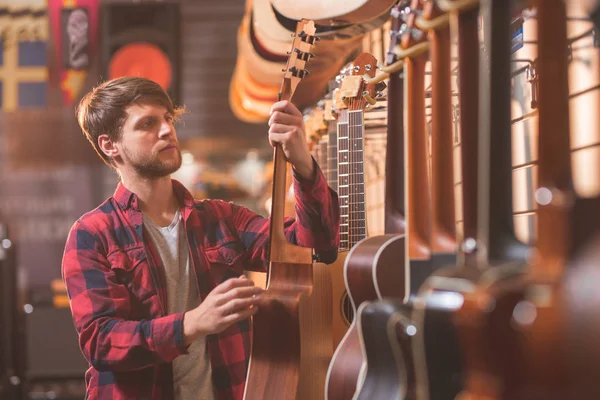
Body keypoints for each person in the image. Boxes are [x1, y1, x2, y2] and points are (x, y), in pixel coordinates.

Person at [62, 76, 339, 400]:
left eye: (167, 118)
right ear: (110, 145)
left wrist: (302, 163)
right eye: (148, 124)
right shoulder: (93, 235)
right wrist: (193, 323)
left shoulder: (220, 218)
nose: (167, 130)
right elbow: (103, 343)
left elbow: (312, 248)